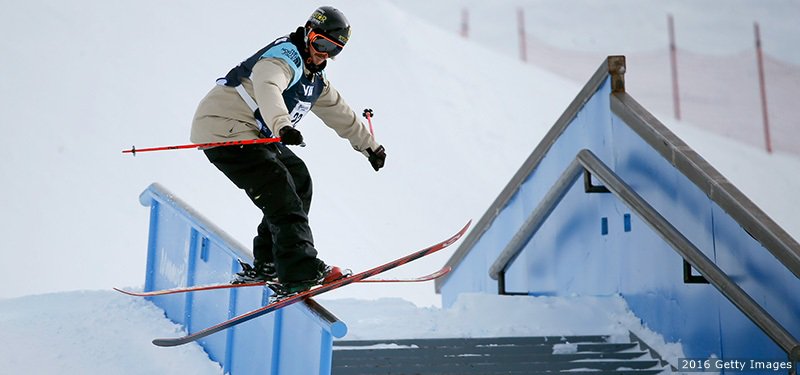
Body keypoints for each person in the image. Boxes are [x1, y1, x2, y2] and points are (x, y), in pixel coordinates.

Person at [190, 6, 386, 296]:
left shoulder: (314, 77)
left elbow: (338, 111)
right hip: (224, 130)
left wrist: (369, 146)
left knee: (298, 178)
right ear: (308, 33)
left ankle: (269, 263)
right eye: (320, 43)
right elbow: (268, 86)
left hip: (254, 135)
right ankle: (299, 271)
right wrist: (282, 125)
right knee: (280, 189)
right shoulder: (283, 58)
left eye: (334, 50)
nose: (324, 54)